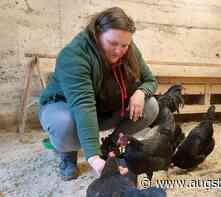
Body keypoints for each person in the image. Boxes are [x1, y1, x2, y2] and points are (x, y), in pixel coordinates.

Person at [38, 7, 159, 181]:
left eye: (124, 45)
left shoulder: (129, 49)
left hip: (102, 107)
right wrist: (94, 159)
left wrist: (141, 92)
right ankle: (68, 152)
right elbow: (83, 106)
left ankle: (110, 146)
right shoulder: (74, 54)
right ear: (97, 34)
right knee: (65, 125)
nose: (119, 51)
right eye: (113, 44)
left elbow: (150, 80)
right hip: (67, 106)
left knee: (150, 106)